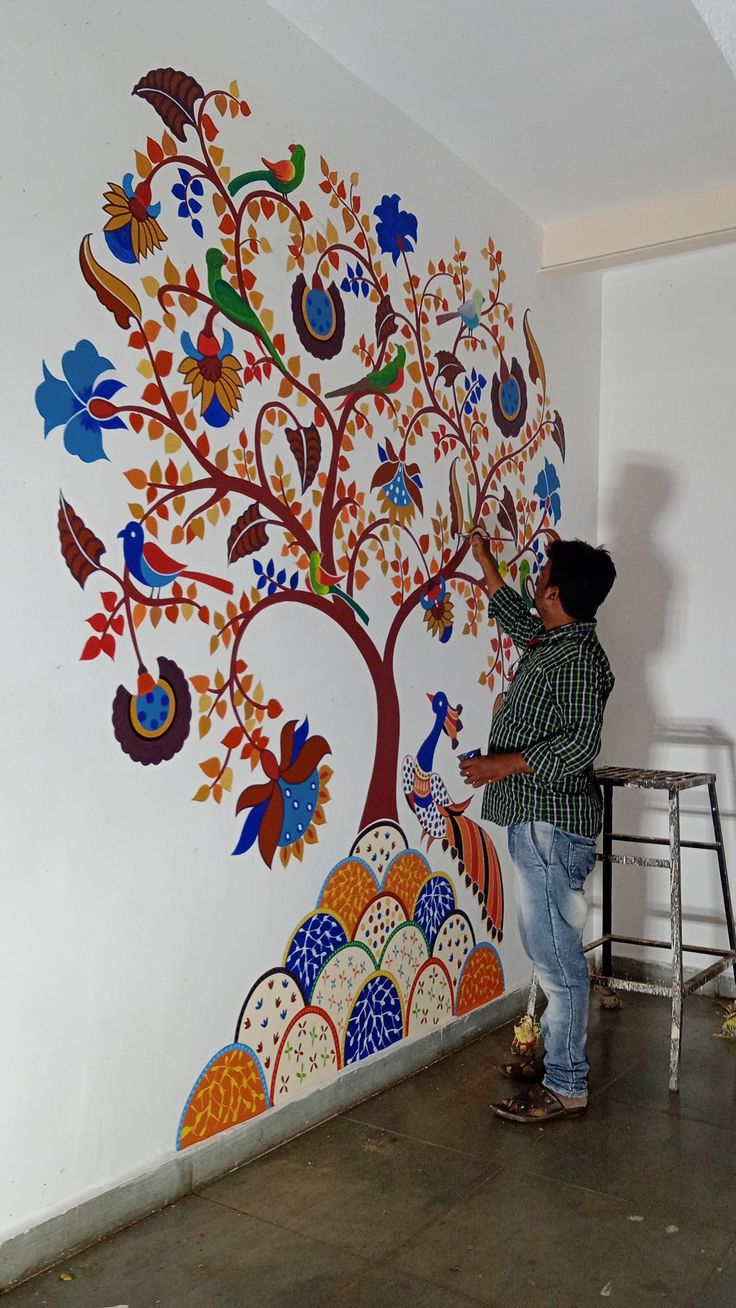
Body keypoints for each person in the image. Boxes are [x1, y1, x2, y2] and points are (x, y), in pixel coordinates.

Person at [460, 533, 616, 1123]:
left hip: (552, 828)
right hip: (538, 823)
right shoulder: (557, 637)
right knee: (549, 947)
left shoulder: (575, 657)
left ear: (552, 592)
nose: (535, 580)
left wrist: (502, 762)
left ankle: (568, 1083)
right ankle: (555, 1059)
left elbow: (580, 743)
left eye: (540, 574)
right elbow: (522, 622)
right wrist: (485, 566)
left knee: (556, 958)